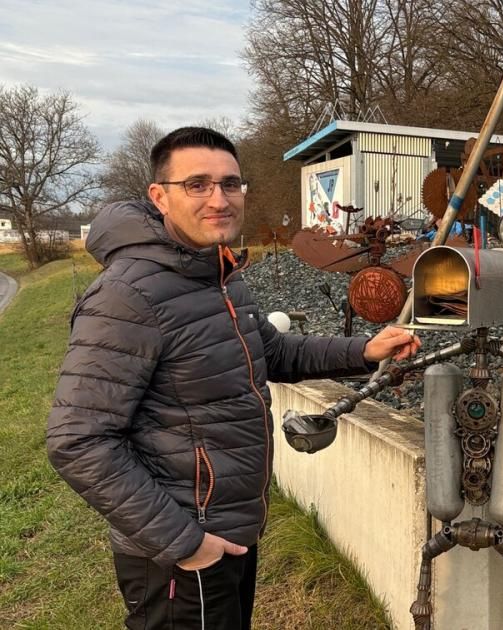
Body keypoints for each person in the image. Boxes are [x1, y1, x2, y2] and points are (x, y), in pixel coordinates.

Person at [46, 127, 421, 629]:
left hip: (228, 531)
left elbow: (271, 350)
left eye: (231, 184)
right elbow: (78, 439)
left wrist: (366, 350)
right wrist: (186, 543)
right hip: (181, 550)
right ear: (160, 196)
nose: (219, 199)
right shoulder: (127, 295)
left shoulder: (218, 273)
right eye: (197, 185)